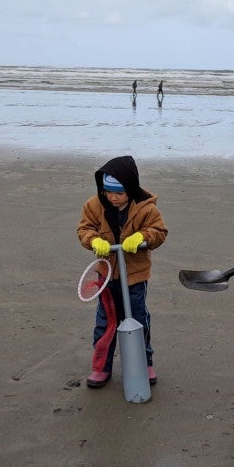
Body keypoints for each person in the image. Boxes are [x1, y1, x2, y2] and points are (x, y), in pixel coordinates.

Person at [77, 156, 168, 388]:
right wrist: (94, 240)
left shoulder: (145, 208)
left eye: (119, 193)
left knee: (138, 320)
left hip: (135, 276)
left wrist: (142, 237)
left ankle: (144, 362)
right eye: (109, 192)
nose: (113, 197)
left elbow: (159, 231)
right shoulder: (94, 205)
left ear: (130, 189)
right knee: (104, 321)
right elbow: (84, 228)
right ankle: (101, 366)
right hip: (106, 275)